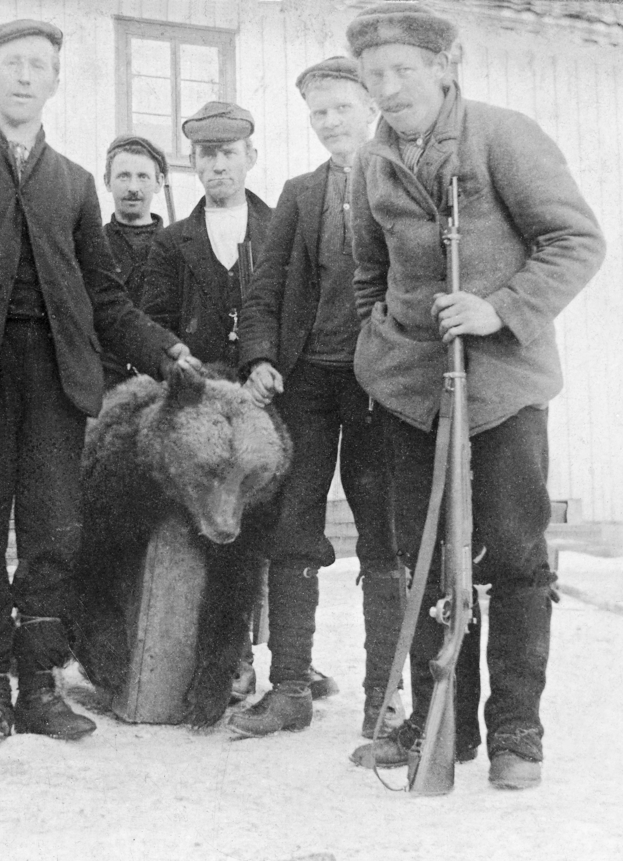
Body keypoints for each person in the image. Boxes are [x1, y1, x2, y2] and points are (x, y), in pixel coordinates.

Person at [0, 19, 200, 747]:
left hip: (56, 378)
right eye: (11, 65)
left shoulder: (73, 182)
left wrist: (164, 352)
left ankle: (37, 682)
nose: (24, 77)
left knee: (53, 533)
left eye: (37, 67)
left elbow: (105, 296)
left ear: (54, 83)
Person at [343, 2, 605, 789]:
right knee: (420, 565)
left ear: (443, 67)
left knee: (516, 557)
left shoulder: (504, 135)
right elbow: (367, 273)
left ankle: (516, 732)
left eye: (402, 71)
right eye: (374, 76)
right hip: (407, 395)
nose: (389, 89)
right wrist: (378, 350)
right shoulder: (371, 162)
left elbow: (577, 240)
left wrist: (501, 308)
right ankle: (437, 725)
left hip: (501, 391)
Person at [232, 57, 406, 739]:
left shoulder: (400, 182)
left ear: (370, 106)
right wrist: (262, 355)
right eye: (318, 113)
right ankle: (291, 688)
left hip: (377, 385)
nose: (330, 121)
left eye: (341, 107)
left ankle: (382, 698)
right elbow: (265, 288)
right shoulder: (300, 194)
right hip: (306, 383)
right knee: (293, 528)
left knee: (382, 539)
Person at [141, 102, 336, 707]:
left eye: (229, 153)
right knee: (214, 524)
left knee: (276, 523)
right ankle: (227, 658)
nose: (218, 164)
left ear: (251, 158)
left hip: (271, 399)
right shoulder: (173, 243)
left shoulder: (286, 225)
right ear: (194, 162)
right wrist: (173, 359)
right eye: (207, 154)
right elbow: (151, 319)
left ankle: (289, 663)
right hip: (204, 409)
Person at [101, 134, 168, 387]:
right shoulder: (91, 245)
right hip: (105, 379)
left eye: (143, 176)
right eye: (123, 176)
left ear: (159, 182)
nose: (133, 187)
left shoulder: (176, 246)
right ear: (107, 182)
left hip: (159, 379)